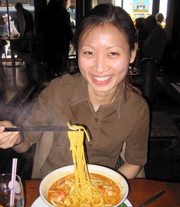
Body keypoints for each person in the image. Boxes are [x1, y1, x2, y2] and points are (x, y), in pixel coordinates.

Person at [0, 4, 149, 180]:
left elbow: (134, 162)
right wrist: (13, 135)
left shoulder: (137, 109)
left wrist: (103, 189)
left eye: (113, 54)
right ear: (77, 51)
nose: (100, 67)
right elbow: (25, 142)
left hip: (102, 192)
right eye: (89, 52)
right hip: (53, 188)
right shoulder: (58, 91)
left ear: (132, 53)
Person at [38, 0, 73, 77]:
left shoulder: (42, 11)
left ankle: (50, 77)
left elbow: (39, 29)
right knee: (60, 64)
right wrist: (73, 39)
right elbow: (67, 29)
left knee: (49, 62)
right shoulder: (63, 12)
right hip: (61, 41)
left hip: (47, 41)